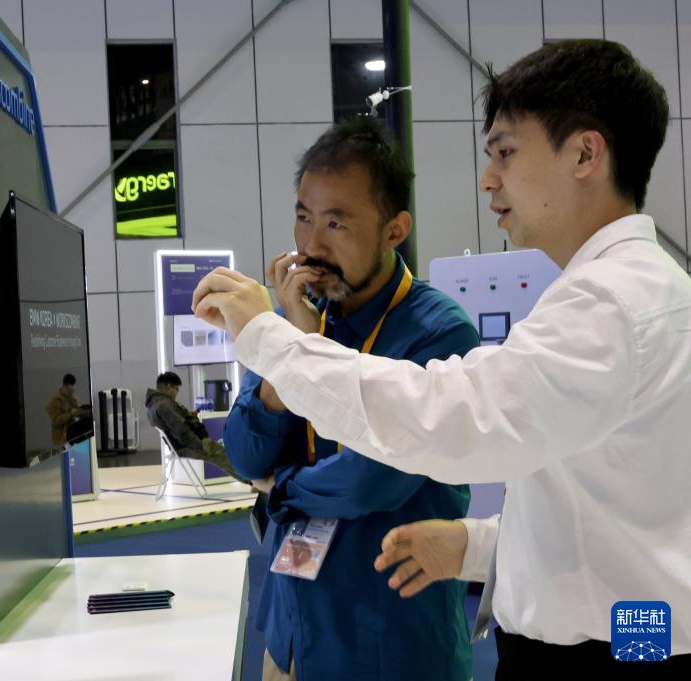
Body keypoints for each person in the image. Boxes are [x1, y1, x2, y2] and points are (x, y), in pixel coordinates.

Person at [192, 39, 691, 677]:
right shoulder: (632, 294)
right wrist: (480, 545)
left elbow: (446, 418)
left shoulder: (610, 305)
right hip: (621, 639)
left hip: (597, 650)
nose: (488, 179)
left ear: (585, 155)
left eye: (505, 153)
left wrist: (266, 336)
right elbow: (610, 519)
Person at [223, 117, 478, 681]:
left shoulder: (438, 333)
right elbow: (243, 455)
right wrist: (290, 352)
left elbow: (371, 480)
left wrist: (281, 487)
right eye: (303, 217)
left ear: (395, 230)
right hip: (290, 635)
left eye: (336, 223)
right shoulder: (296, 317)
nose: (311, 246)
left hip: (387, 645)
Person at [145, 371, 239, 479]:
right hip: (187, 446)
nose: (176, 393)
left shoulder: (153, 404)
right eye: (176, 389)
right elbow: (181, 431)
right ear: (169, 386)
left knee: (220, 453)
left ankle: (250, 480)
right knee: (223, 453)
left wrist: (188, 415)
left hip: (179, 446)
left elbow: (172, 423)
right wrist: (200, 445)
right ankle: (251, 480)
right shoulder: (165, 405)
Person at [45, 373, 80, 447]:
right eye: (69, 387)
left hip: (72, 435)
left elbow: (79, 410)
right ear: (64, 385)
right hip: (60, 438)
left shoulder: (73, 398)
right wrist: (71, 414)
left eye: (73, 386)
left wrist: (74, 400)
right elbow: (56, 421)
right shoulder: (56, 400)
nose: (71, 389)